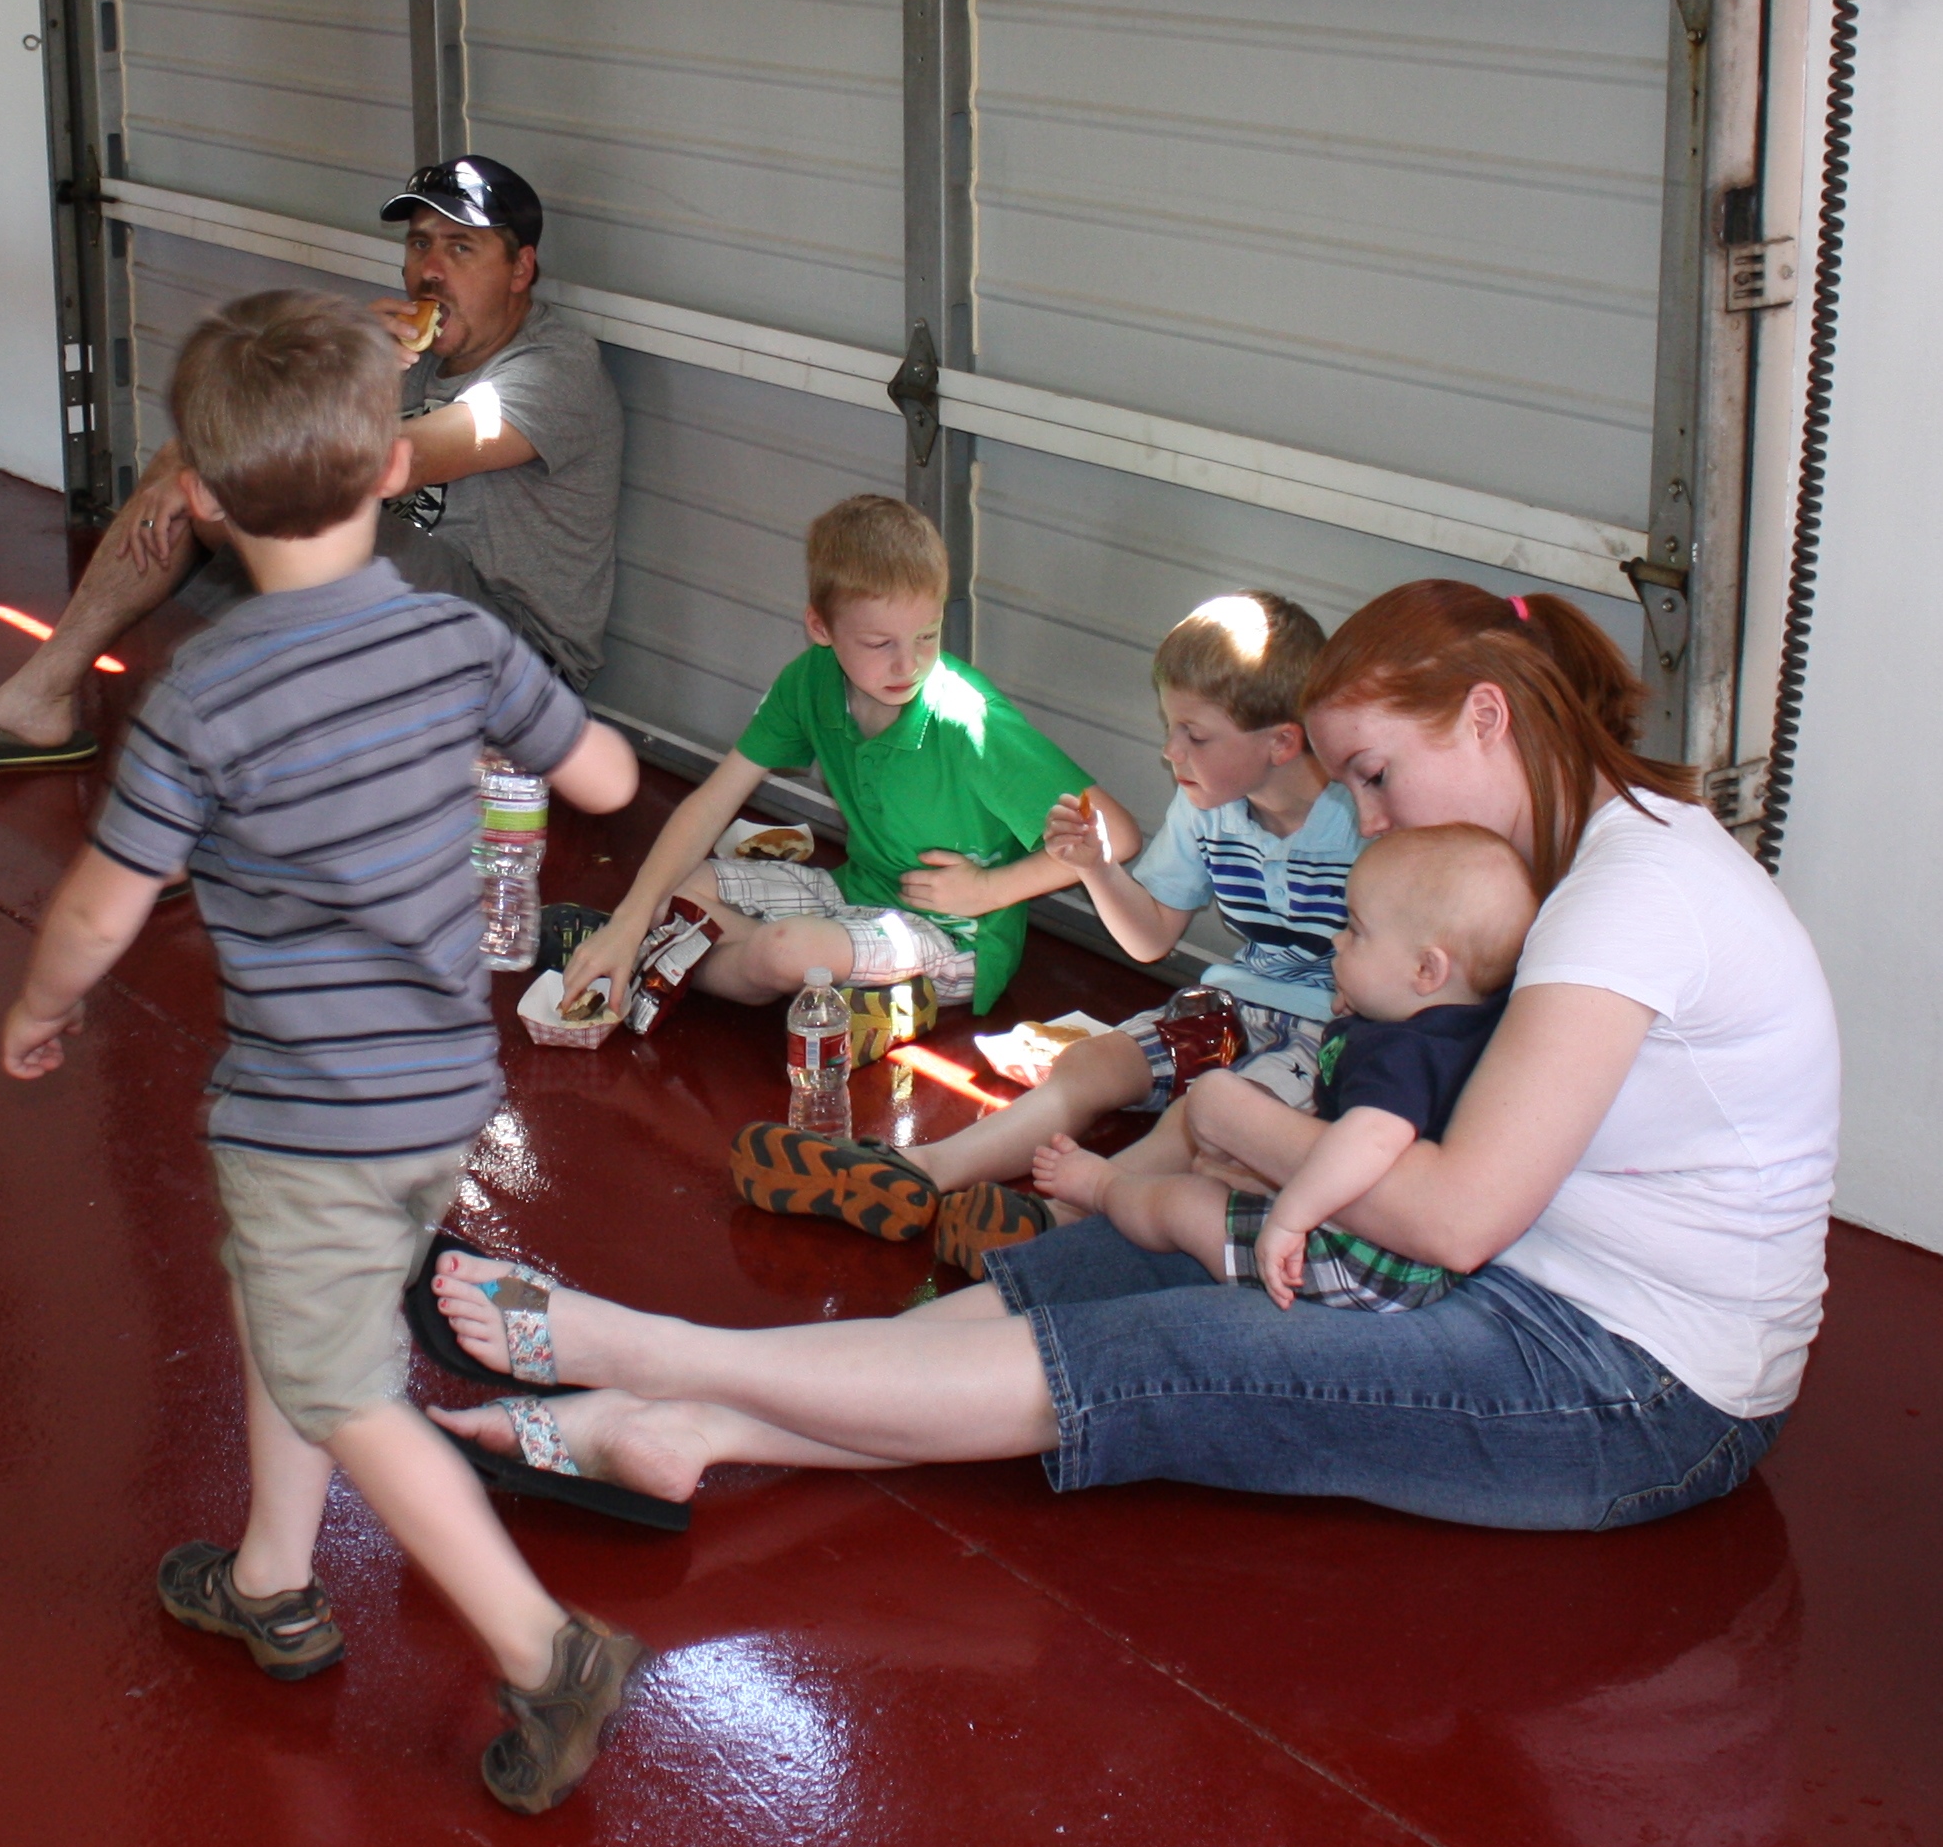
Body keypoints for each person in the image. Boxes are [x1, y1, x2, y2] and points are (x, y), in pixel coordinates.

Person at [415, 581, 1840, 1536]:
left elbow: (1456, 1212)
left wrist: (1229, 1114)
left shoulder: (1626, 895)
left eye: (1374, 777)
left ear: (1481, 715)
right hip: (1495, 1279)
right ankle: (685, 1433)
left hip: (1628, 1380)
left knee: (1155, 1342)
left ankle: (650, 1358)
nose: (1366, 814)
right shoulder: (1550, 867)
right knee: (1091, 1269)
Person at [0, 290, 648, 1813]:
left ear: (203, 502)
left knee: (347, 1381)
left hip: (309, 1111)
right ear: (382, 472)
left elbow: (104, 903)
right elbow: (607, 775)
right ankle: (273, 1579)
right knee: (286, 1311)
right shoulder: (455, 639)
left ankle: (544, 1648)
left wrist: (40, 1004)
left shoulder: (203, 696)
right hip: (438, 1100)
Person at [0, 152, 622, 774]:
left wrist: (234, 445)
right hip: (407, 613)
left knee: (281, 502)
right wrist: (190, 459)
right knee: (203, 471)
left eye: (460, 249)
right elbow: (236, 424)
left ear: (520, 269)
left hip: (517, 664)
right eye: (418, 244)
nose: (428, 271)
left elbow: (393, 462)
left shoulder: (552, 369)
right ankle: (41, 693)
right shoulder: (403, 349)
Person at [736, 588, 1353, 1275]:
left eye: (1194, 735)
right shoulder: (1204, 806)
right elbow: (1149, 939)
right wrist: (1094, 869)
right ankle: (919, 1170)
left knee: (1204, 1117)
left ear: (1281, 742)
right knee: (1088, 1065)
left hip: (1330, 1037)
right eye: (1169, 727)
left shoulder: (1360, 819)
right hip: (1233, 1006)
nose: (1168, 750)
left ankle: (1060, 1223)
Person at [562, 492, 1122, 1029]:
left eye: (927, 635)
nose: (910, 664)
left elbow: (1116, 834)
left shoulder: (969, 723)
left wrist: (989, 892)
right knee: (673, 888)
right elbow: (713, 801)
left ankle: (662, 965)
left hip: (955, 937)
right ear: (821, 628)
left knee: (781, 949)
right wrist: (634, 915)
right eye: (880, 643)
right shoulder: (809, 681)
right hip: (853, 892)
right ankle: (725, 965)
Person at [1034, 822, 1531, 1310]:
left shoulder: (1402, 1054)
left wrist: (1292, 1218)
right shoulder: (1449, 1027)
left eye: (1355, 931)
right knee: (1223, 1176)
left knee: (1182, 1204)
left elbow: (1369, 1140)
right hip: (1387, 1245)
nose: (1336, 942)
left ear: (1426, 970)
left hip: (1359, 1261)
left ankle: (1103, 1188)